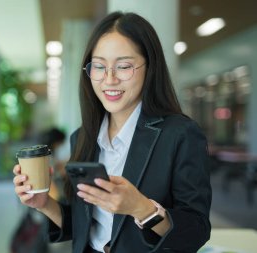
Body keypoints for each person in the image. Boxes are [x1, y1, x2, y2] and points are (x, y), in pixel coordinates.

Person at [13, 11, 211, 253]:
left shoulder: (180, 134)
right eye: (99, 67)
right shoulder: (83, 136)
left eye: (124, 66)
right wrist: (44, 204)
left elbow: (197, 232)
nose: (109, 79)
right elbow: (86, 225)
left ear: (150, 67)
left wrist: (142, 208)